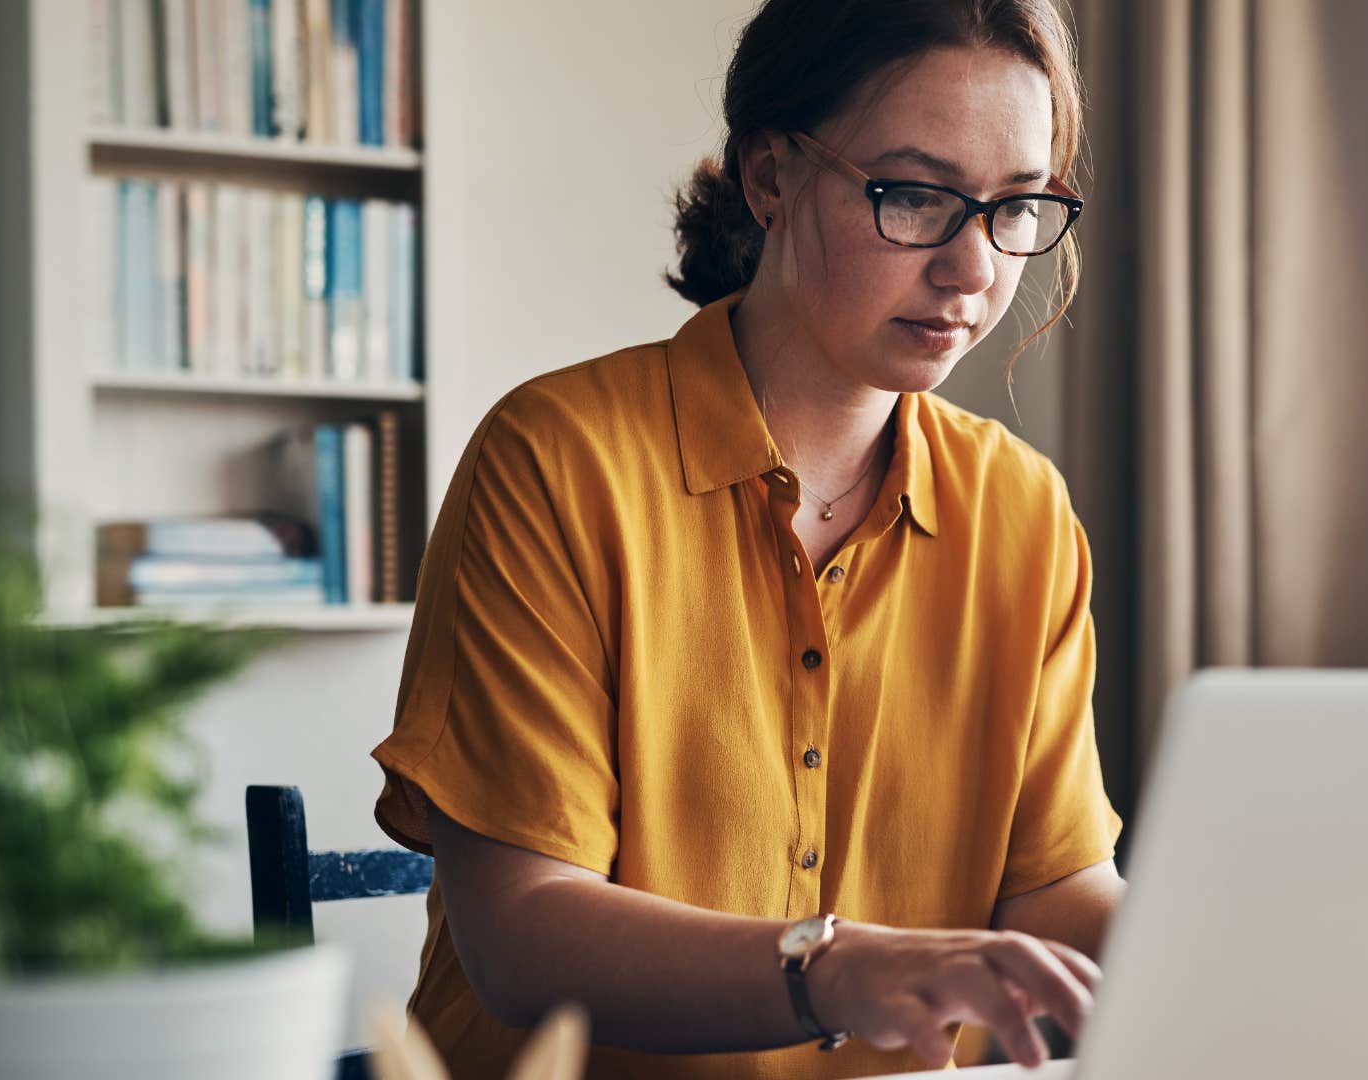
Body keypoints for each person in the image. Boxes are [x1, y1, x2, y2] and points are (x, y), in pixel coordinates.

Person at [369, 2, 1124, 1076]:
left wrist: (1249, 960)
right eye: (915, 195)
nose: (973, 270)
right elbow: (522, 933)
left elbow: (1056, 888)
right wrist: (834, 967)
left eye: (1015, 206)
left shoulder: (1024, 511)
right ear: (768, 175)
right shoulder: (556, 461)